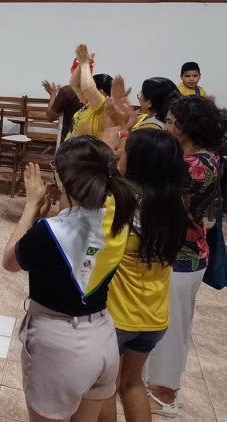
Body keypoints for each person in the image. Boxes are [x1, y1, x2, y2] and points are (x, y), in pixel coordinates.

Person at [2, 136, 138, 422]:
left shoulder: (49, 232)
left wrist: (30, 208)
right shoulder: (121, 213)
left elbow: (9, 261)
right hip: (102, 337)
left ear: (64, 181)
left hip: (59, 345)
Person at [98, 129, 189, 422]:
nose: (119, 155)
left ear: (138, 162)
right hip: (154, 317)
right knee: (132, 383)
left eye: (124, 152)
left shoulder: (120, 204)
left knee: (103, 389)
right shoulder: (175, 206)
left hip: (119, 317)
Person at [146, 96, 225, 417]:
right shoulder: (198, 158)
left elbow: (154, 191)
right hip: (179, 254)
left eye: (171, 122)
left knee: (172, 328)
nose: (166, 127)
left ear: (186, 128)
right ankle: (155, 383)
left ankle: (165, 394)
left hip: (182, 257)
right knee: (165, 323)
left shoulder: (197, 166)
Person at [67, 44, 113, 140]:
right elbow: (74, 84)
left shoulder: (103, 105)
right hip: (73, 149)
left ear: (101, 92)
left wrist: (85, 63)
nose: (86, 93)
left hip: (86, 152)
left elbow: (87, 88)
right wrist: (82, 63)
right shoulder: (89, 104)